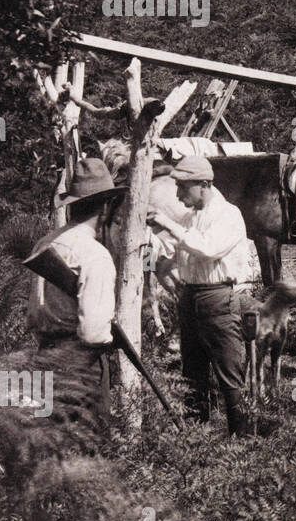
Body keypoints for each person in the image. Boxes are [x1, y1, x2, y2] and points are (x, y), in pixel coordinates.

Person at [148, 155, 253, 435]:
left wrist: (166, 223)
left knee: (229, 372)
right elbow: (169, 249)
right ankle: (197, 438)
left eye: (184, 187)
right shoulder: (188, 217)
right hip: (189, 297)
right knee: (192, 373)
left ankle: (242, 441)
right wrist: (146, 239)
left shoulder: (229, 215)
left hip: (218, 299)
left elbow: (208, 248)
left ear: (204, 184)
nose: (179, 194)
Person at [26, 158, 123, 432]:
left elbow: (33, 312)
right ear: (105, 206)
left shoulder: (45, 243)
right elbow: (93, 333)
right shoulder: (95, 256)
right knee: (87, 448)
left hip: (45, 356)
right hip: (82, 365)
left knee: (50, 444)